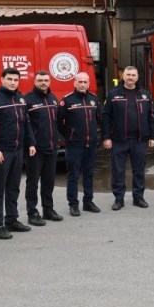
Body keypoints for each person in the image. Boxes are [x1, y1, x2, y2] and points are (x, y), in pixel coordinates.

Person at [0, 67, 36, 239]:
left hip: (18, 150)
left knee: (13, 187)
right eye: (9, 79)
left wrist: (30, 143)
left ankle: (12, 219)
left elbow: (26, 122)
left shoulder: (21, 98)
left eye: (15, 79)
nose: (13, 82)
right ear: (2, 79)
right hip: (2, 152)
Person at [102, 66, 154, 210]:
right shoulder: (113, 94)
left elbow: (152, 117)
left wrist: (152, 136)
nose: (131, 77)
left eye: (133, 75)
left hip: (139, 140)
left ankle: (138, 198)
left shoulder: (145, 95)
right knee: (118, 170)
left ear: (137, 78)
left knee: (139, 170)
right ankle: (119, 199)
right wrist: (106, 137)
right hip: (119, 140)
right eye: (128, 75)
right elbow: (106, 117)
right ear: (123, 77)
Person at [59, 72, 102, 216]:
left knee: (89, 174)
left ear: (89, 84)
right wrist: (69, 136)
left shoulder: (94, 99)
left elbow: (99, 119)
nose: (83, 84)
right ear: (74, 83)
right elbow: (59, 122)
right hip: (74, 145)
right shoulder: (67, 101)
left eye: (85, 82)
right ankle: (73, 204)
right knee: (74, 175)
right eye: (80, 82)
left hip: (91, 144)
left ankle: (88, 202)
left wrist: (99, 136)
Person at [25, 70, 63, 224]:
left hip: (52, 147)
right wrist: (30, 143)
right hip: (36, 149)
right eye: (40, 80)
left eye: (46, 80)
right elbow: (25, 125)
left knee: (49, 181)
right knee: (32, 182)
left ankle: (48, 209)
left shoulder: (53, 99)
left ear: (50, 82)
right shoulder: (27, 100)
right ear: (34, 82)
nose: (43, 83)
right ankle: (32, 213)